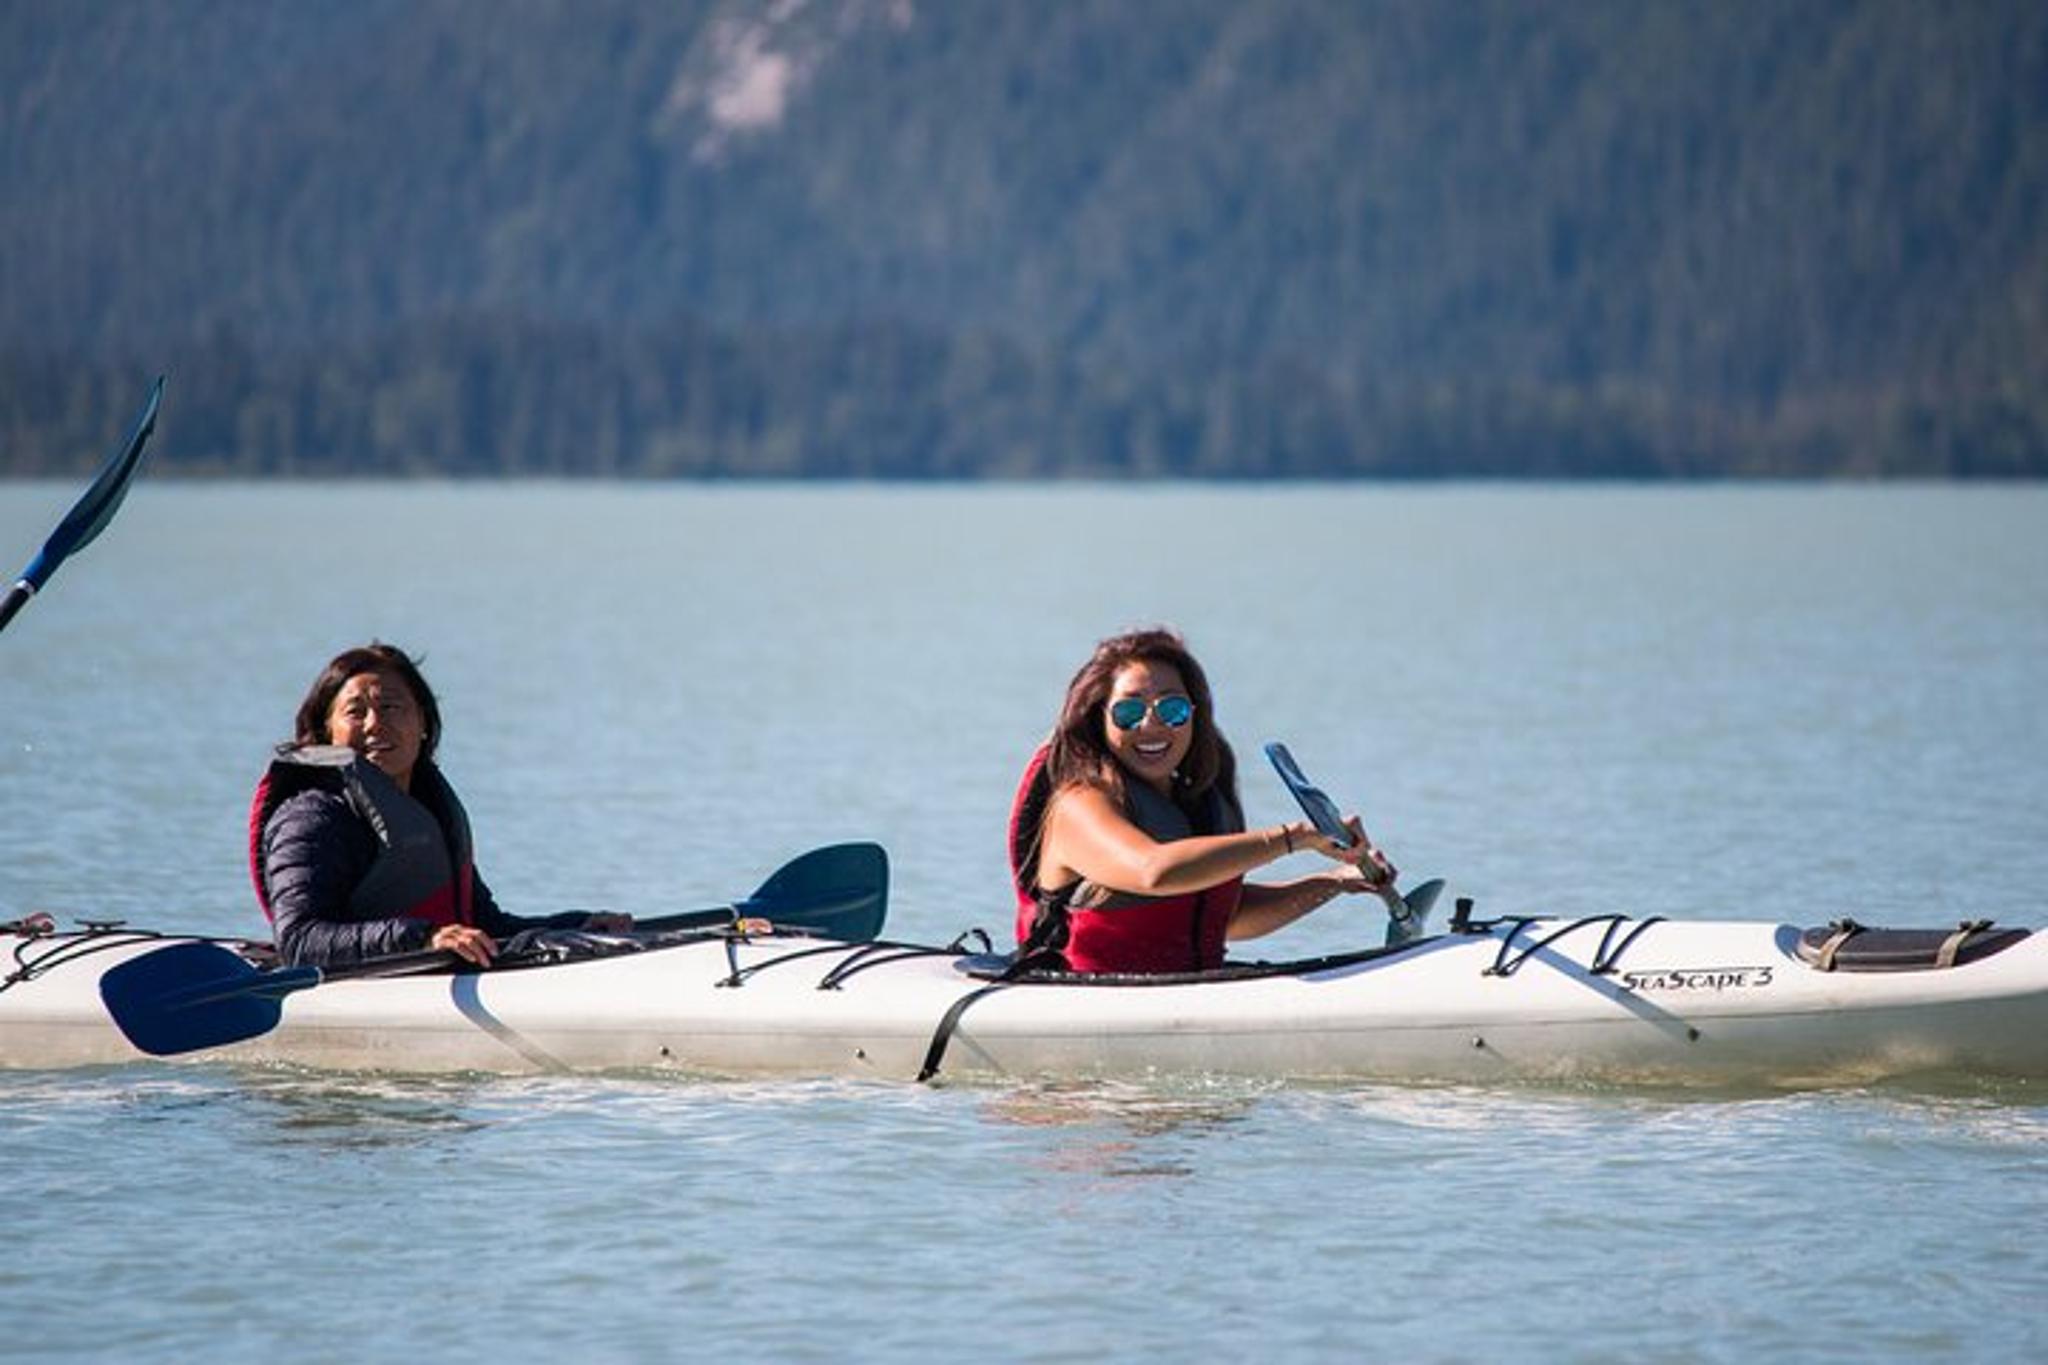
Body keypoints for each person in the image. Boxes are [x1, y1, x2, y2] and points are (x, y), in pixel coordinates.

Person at [1009, 627, 1392, 974]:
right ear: (1100, 719)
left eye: (1172, 709)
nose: (1151, 724)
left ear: (1195, 715)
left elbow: (1227, 916)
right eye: (1129, 711)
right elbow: (1153, 872)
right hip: (1082, 996)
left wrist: (1335, 881)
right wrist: (1295, 837)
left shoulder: (1200, 803)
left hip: (1186, 993)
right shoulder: (1077, 805)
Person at [250, 642, 630, 967]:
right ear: (325, 732)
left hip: (435, 970)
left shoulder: (429, 813)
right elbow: (300, 941)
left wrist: (579, 927)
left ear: (424, 725)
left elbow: (484, 925)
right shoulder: (310, 818)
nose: (373, 724)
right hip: (361, 988)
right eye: (355, 711)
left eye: (392, 707)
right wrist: (423, 939)